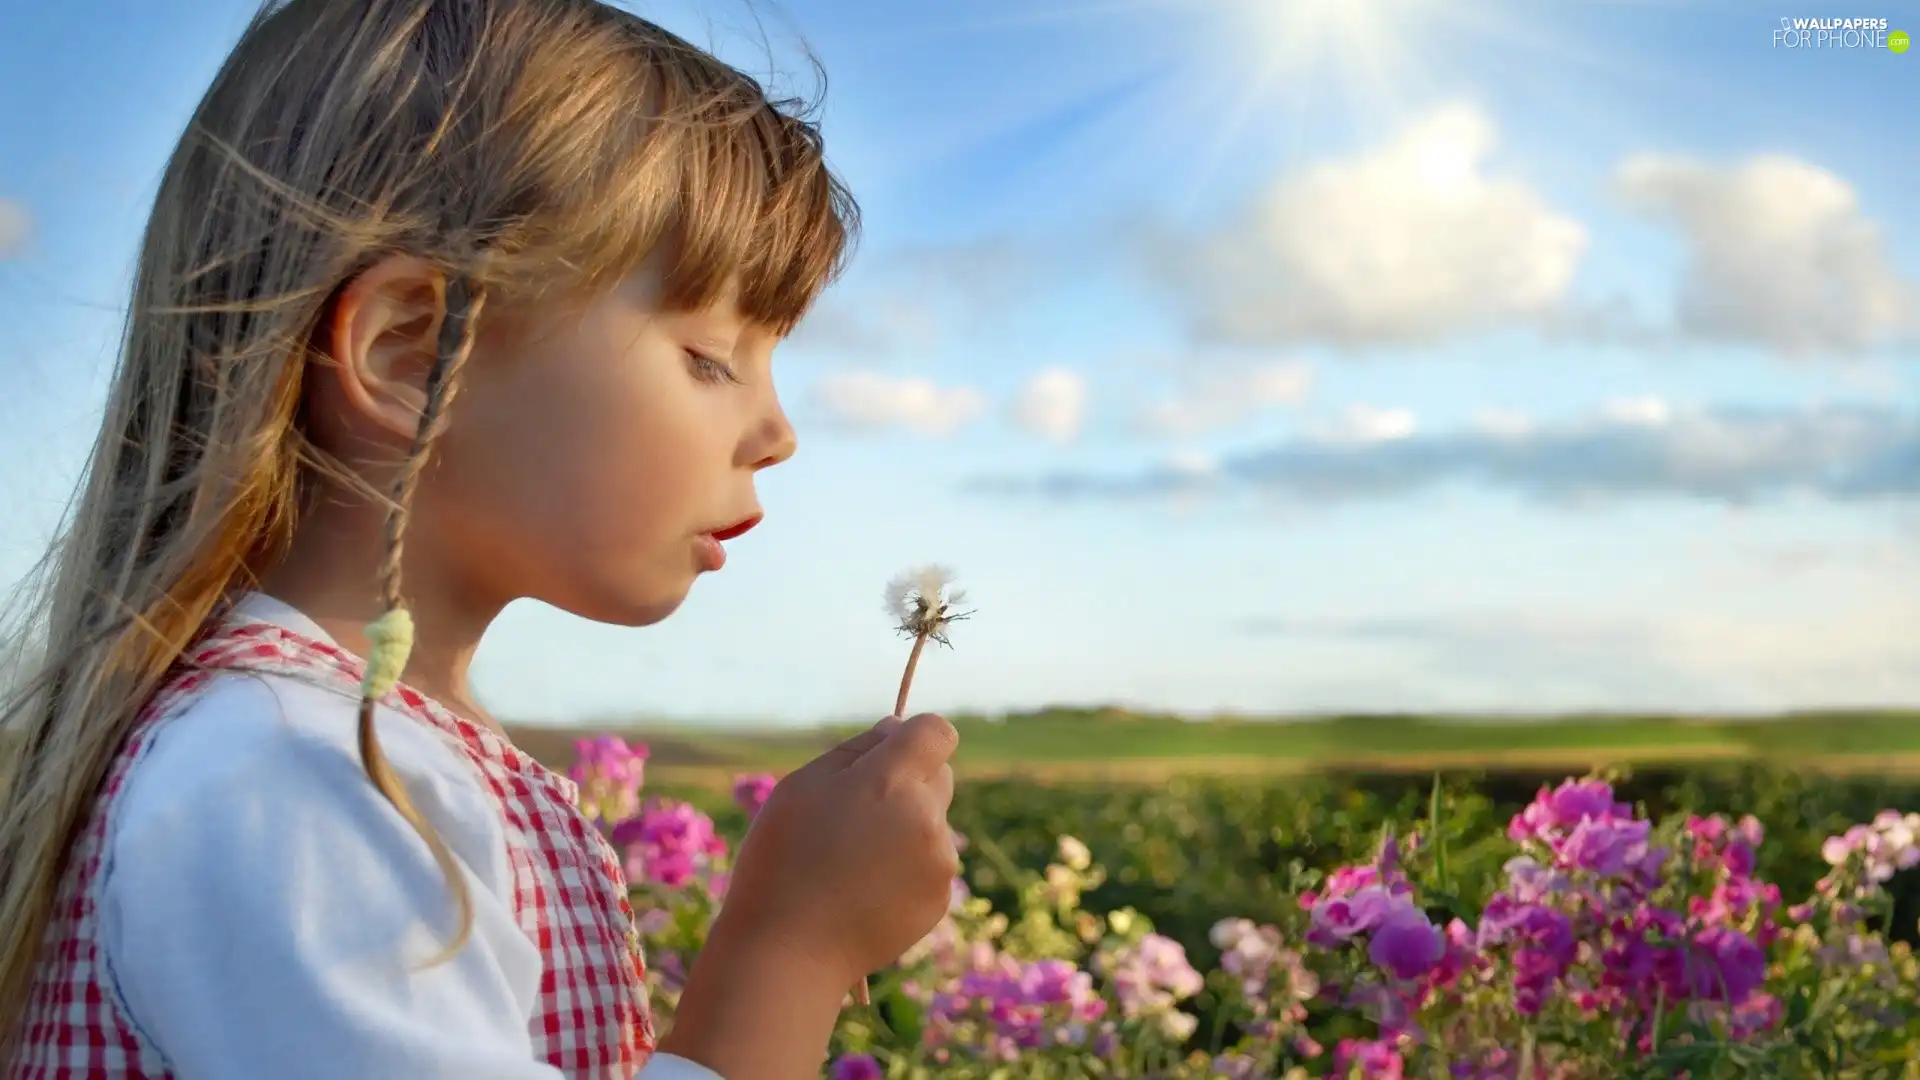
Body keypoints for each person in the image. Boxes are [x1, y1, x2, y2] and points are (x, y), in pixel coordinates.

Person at [0, 1, 962, 1077]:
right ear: (415, 352)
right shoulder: (289, 775)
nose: (778, 434)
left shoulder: (364, 755)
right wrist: (794, 944)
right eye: (708, 356)